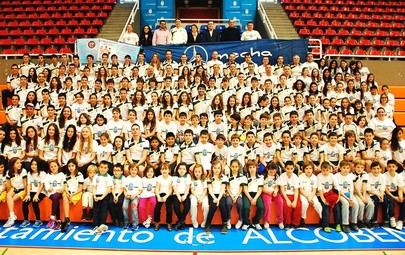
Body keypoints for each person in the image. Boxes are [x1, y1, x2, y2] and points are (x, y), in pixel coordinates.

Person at [205, 160, 228, 233]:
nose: (216, 170)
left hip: (221, 195)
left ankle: (224, 224)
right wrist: (214, 198)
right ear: (212, 168)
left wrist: (218, 199)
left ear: (221, 168)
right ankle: (208, 224)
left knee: (222, 206)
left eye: (218, 168)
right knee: (213, 206)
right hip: (212, 194)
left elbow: (222, 189)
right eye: (215, 168)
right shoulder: (209, 177)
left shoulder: (224, 177)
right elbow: (210, 189)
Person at [3, 157, 27, 228]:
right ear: (12, 164)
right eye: (17, 163)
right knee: (8, 195)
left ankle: (11, 217)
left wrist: (26, 193)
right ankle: (12, 215)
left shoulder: (23, 171)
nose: (20, 164)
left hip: (22, 189)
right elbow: (8, 185)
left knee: (11, 200)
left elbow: (25, 184)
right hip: (14, 189)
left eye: (20, 163)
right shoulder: (8, 172)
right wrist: (11, 191)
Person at [242, 160, 264, 230]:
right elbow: (244, 189)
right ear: (248, 168)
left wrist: (255, 198)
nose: (252, 169)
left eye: (253, 167)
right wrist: (250, 198)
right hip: (247, 194)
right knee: (245, 207)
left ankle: (256, 221)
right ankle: (246, 223)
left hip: (256, 194)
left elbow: (260, 190)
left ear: (256, 168)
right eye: (250, 167)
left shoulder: (260, 177)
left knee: (261, 207)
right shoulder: (245, 177)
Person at [92, 160, 113, 235]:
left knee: (103, 211)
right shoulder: (95, 176)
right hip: (96, 195)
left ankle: (102, 226)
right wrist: (94, 195)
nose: (103, 169)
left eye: (105, 168)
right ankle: (95, 226)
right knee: (96, 211)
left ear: (107, 169)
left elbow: (109, 189)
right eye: (101, 167)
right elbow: (94, 187)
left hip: (105, 196)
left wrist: (102, 197)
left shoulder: (109, 177)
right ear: (99, 168)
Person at [44, 160, 65, 230]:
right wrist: (48, 188)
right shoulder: (47, 176)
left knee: (56, 197)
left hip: (59, 192)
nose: (53, 168)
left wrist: (61, 189)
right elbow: (46, 186)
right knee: (56, 199)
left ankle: (52, 217)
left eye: (55, 166)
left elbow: (64, 185)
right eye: (51, 167)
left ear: (58, 166)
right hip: (51, 193)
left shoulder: (62, 174)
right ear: (49, 168)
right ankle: (58, 221)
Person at [122, 163, 143, 230]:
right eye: (132, 169)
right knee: (124, 207)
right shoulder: (126, 179)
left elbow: (140, 190)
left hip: (135, 196)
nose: (133, 171)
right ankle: (126, 222)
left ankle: (135, 224)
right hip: (127, 195)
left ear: (137, 171)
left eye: (135, 170)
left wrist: (135, 195)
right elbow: (124, 188)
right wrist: (125, 194)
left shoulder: (139, 179)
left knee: (134, 207)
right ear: (129, 170)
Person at [154, 163, 173, 231]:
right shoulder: (159, 178)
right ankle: (157, 222)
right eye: (163, 169)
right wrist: (158, 196)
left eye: (166, 169)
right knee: (157, 209)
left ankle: (169, 223)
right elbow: (157, 188)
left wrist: (166, 197)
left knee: (169, 209)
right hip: (160, 194)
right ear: (160, 171)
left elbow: (170, 190)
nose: (164, 171)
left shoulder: (171, 178)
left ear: (169, 170)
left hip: (168, 195)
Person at [172, 162, 191, 230]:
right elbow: (174, 187)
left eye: (183, 169)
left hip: (185, 193)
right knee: (176, 207)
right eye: (180, 169)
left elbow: (188, 186)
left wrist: (185, 195)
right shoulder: (174, 177)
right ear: (177, 169)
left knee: (187, 206)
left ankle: (180, 222)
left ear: (186, 170)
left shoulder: (188, 176)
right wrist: (178, 196)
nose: (182, 170)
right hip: (176, 194)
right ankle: (182, 221)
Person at [189, 164, 208, 228]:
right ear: (193, 172)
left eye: (199, 172)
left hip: (203, 195)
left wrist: (202, 197)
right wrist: (197, 197)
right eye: (196, 172)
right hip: (194, 195)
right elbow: (192, 190)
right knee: (193, 204)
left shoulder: (204, 179)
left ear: (202, 172)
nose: (197, 173)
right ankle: (194, 220)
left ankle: (205, 221)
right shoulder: (192, 180)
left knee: (206, 206)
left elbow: (205, 190)